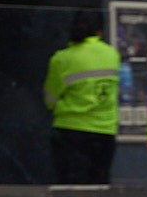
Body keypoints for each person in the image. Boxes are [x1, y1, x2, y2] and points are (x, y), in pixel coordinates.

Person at [43, 13, 120, 186]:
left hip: (70, 130)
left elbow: (50, 99)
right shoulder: (112, 55)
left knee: (69, 187)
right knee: (99, 187)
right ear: (99, 31)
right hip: (104, 130)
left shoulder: (62, 58)